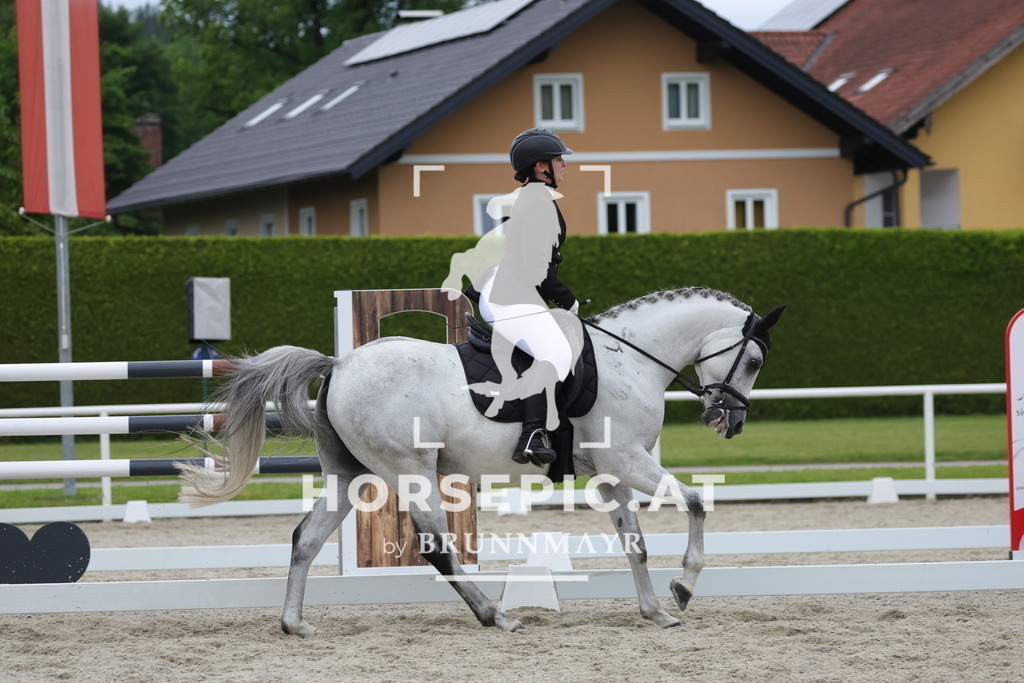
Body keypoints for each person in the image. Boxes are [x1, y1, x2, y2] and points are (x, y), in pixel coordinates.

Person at [472, 128, 584, 466]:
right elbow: (538, 268)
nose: (564, 163)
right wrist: (570, 301)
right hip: (509, 296)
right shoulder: (537, 203)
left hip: (515, 292)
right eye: (558, 158)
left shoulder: (535, 198)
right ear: (540, 166)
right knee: (554, 351)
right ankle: (533, 434)